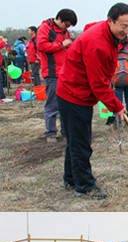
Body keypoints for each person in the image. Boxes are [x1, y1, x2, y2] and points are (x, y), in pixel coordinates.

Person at [56, 3, 128, 199]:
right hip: (74, 94)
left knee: (75, 140)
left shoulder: (106, 33)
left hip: (73, 91)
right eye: (123, 26)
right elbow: (98, 85)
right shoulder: (97, 43)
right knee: (81, 142)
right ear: (110, 21)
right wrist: (117, 107)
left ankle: (71, 178)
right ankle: (85, 186)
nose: (126, 31)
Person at [37, 9, 77, 142]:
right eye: (66, 24)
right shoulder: (45, 28)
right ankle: (50, 132)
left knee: (67, 103)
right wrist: (61, 44)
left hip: (66, 73)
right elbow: (41, 46)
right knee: (52, 104)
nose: (67, 27)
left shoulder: (65, 32)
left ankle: (66, 131)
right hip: (52, 72)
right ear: (59, 19)